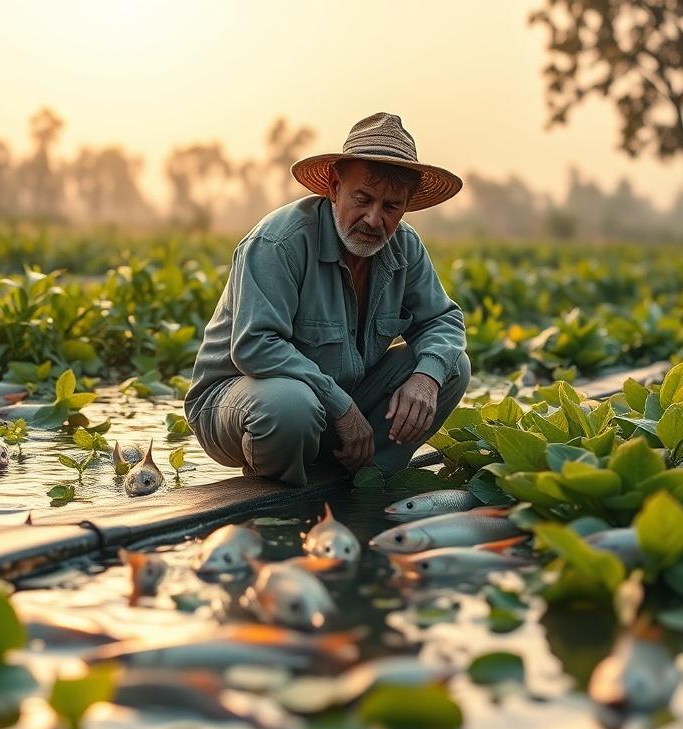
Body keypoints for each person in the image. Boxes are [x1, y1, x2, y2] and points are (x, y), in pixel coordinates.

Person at [184, 112, 471, 486]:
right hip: (240, 399)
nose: (373, 219)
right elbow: (255, 345)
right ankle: (281, 485)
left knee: (450, 366)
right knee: (291, 407)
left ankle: (365, 478)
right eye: (362, 199)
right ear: (334, 187)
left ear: (406, 205)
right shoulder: (279, 243)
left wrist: (425, 379)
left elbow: (442, 321)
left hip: (339, 400)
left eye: (390, 207)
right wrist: (342, 406)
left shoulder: (405, 247)